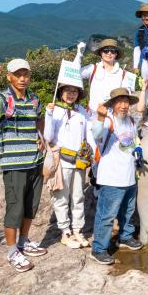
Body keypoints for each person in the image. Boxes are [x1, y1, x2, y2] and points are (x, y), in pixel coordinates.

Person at [0, 59, 47, 273]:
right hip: (13, 163)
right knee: (15, 207)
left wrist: (41, 137)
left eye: (26, 74)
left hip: (35, 160)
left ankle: (24, 241)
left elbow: (39, 119)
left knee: (31, 205)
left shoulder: (34, 98)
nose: (22, 78)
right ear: (9, 77)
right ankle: (11, 251)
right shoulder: (3, 98)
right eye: (18, 74)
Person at [90, 87, 145, 265]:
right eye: (119, 102)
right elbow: (96, 135)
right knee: (107, 215)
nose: (123, 105)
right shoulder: (107, 120)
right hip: (111, 176)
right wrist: (99, 117)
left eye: (126, 101)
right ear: (112, 104)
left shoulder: (130, 120)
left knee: (128, 211)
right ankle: (99, 249)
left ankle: (125, 236)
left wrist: (138, 149)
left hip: (129, 174)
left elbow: (134, 140)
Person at [44, 83, 91, 249]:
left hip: (79, 160)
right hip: (61, 160)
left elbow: (89, 134)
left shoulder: (82, 112)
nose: (71, 94)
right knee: (61, 198)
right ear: (60, 93)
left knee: (78, 196)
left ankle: (78, 229)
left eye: (75, 91)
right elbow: (48, 137)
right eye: (67, 91)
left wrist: (91, 155)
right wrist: (48, 114)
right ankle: (65, 232)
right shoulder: (55, 110)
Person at [81, 38, 128, 116]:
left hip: (113, 116)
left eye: (113, 51)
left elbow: (125, 95)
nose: (109, 53)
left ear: (116, 54)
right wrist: (79, 56)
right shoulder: (93, 68)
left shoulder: (123, 74)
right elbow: (74, 74)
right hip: (93, 114)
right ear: (101, 53)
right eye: (106, 50)